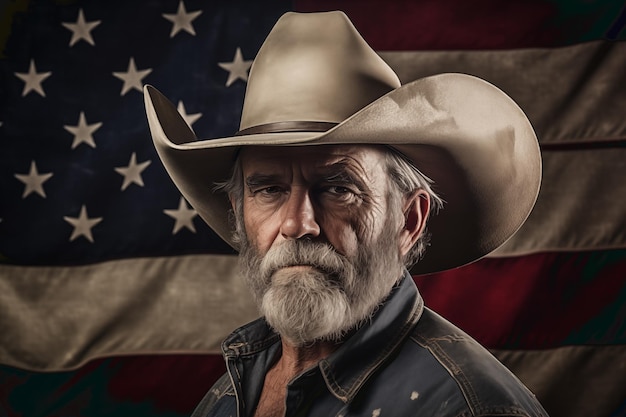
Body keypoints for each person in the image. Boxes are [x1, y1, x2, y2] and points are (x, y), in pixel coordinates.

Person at [144, 11, 548, 417]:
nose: (296, 224)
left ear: (409, 220)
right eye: (269, 189)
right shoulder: (226, 399)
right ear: (238, 214)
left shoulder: (470, 407)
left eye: (339, 189)